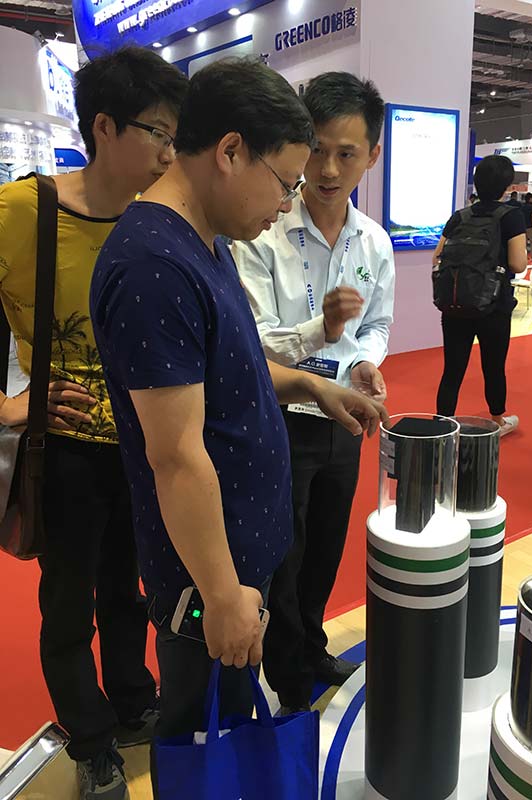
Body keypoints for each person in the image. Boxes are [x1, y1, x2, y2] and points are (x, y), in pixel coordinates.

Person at [88, 58, 388, 791]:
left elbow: (234, 367)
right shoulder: (154, 266)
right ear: (229, 151)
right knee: (202, 741)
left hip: (236, 556)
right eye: (284, 182)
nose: (286, 205)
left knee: (227, 731)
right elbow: (176, 456)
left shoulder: (203, 240)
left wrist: (312, 387)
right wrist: (222, 596)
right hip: (204, 580)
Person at [0, 47, 187, 800]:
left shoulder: (158, 218)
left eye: (176, 137)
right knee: (69, 602)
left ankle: (134, 702)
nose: (170, 154)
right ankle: (90, 738)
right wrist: (8, 406)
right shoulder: (23, 212)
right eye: (158, 133)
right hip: (65, 451)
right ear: (104, 127)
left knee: (129, 589)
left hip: (146, 447)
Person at [232, 71, 394, 713]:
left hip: (346, 418)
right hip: (282, 416)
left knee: (326, 544)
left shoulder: (373, 241)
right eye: (318, 150)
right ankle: (288, 675)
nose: (327, 170)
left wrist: (367, 361)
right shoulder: (263, 230)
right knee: (285, 553)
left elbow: (377, 322)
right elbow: (252, 343)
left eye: (346, 154)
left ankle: (312, 646)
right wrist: (318, 331)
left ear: (372, 155)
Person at [433, 155, 527, 436]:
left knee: (452, 369)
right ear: (506, 185)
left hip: (456, 303)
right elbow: (518, 264)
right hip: (494, 305)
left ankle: (442, 426)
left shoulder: (459, 216)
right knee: (493, 366)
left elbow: (437, 256)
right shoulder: (511, 216)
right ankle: (497, 420)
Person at [521, 192, 532, 256]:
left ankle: (523, 255)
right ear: (530, 199)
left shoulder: (522, 206)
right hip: (530, 227)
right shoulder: (531, 207)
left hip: (523, 227)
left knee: (524, 242)